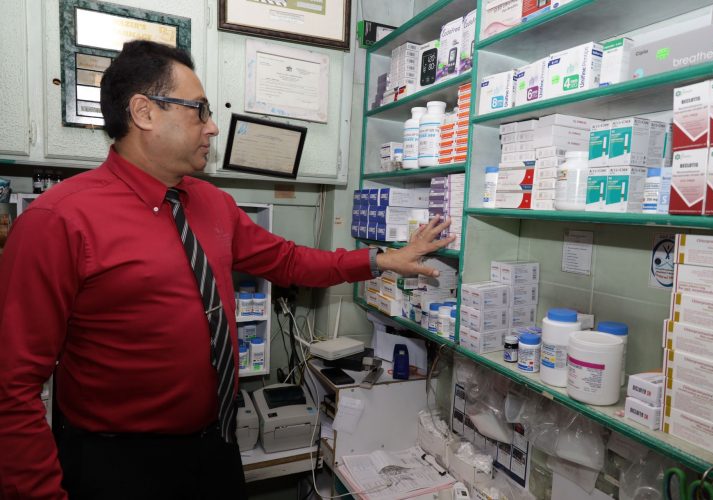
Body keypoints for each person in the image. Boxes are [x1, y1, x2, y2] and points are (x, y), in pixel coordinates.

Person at [0, 40, 453, 500]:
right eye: (199, 110)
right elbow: (11, 386)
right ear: (143, 112)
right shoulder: (59, 220)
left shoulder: (212, 203)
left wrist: (379, 260)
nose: (213, 127)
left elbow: (289, 260)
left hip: (216, 445)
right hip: (120, 465)